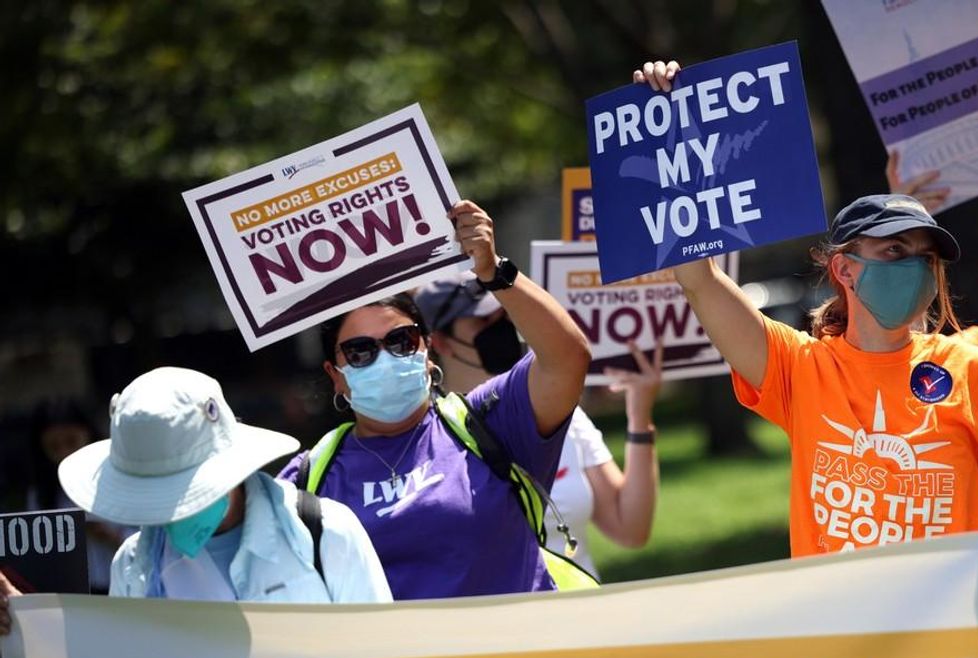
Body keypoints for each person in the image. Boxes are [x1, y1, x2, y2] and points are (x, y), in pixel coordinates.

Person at [636, 53, 978, 559]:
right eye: (893, 251)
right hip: (838, 632)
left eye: (924, 256)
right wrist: (674, 131)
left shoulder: (974, 374)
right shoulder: (800, 368)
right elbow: (699, 280)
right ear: (844, 269)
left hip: (948, 635)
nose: (913, 267)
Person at [278, 199, 592, 600]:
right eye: (360, 351)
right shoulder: (305, 481)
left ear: (427, 350)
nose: (385, 358)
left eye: (400, 341)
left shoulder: (488, 423)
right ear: (335, 375)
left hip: (522, 657)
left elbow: (567, 358)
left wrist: (495, 273)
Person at [0, 366, 391, 632]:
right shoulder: (134, 567)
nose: (171, 509)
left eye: (182, 489)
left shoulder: (326, 534)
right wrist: (26, 624)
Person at [414, 274, 662, 579]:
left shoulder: (559, 411)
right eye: (482, 321)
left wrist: (639, 415)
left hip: (583, 618)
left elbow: (630, 528)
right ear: (440, 343)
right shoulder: (427, 439)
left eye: (503, 316)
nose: (500, 328)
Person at [20, 399, 133, 594]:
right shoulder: (40, 494)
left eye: (71, 441)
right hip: (73, 593)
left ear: (88, 435)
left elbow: (152, 539)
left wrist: (112, 537)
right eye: (54, 447)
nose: (64, 452)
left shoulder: (120, 480)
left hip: (124, 586)